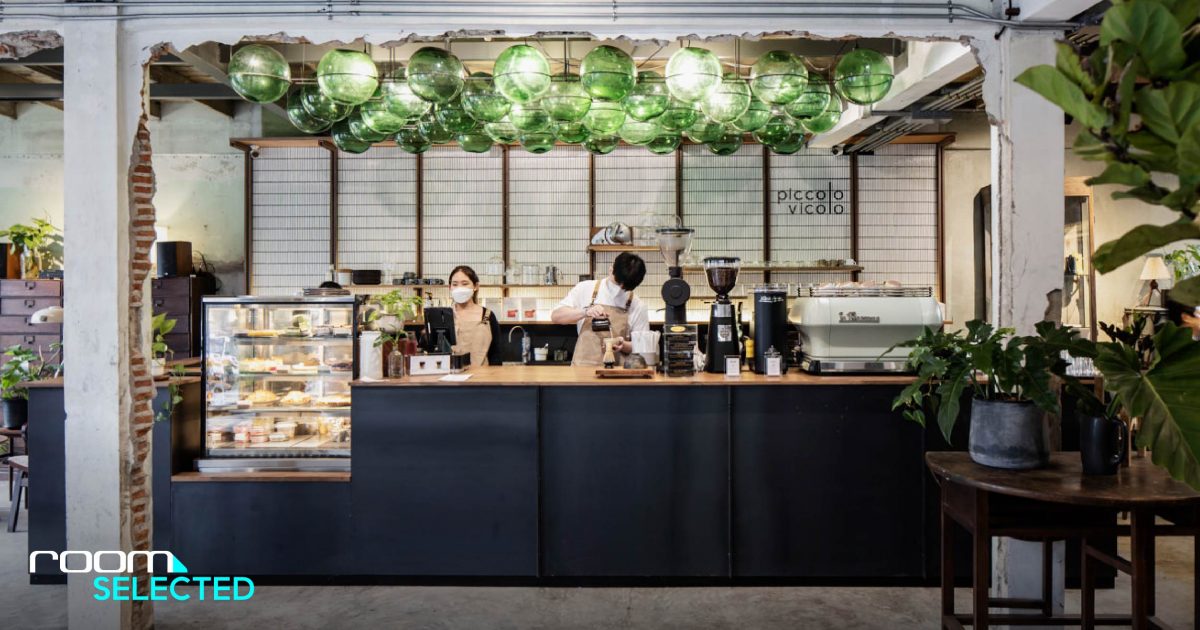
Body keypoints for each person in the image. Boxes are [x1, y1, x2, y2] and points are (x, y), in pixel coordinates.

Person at [551, 252, 649, 367]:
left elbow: (642, 346)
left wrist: (623, 345)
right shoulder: (585, 288)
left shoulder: (638, 305)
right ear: (611, 270)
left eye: (625, 288)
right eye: (617, 283)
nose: (618, 290)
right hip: (582, 369)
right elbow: (556, 316)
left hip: (616, 372)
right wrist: (585, 312)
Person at [448, 265, 502, 367]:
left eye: (465, 284)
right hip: (451, 375)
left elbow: (496, 354)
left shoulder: (487, 315)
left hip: (482, 375)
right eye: (455, 284)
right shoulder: (444, 316)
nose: (459, 288)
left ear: (476, 286)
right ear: (450, 287)